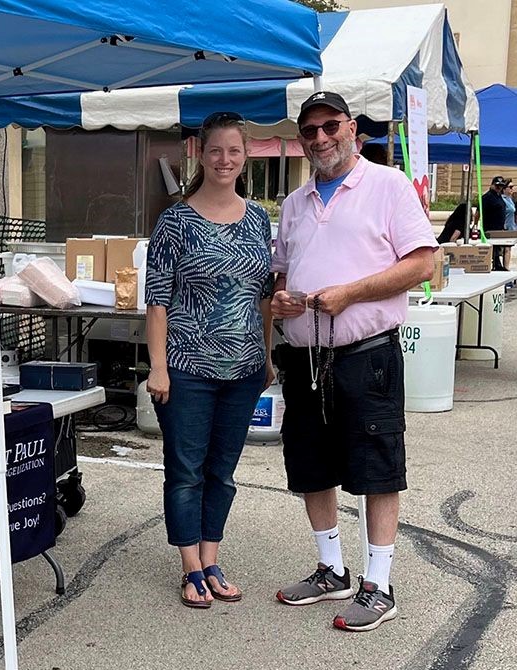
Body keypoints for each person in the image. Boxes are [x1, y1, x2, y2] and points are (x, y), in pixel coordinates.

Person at [270, 91, 436, 632]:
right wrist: (280, 300)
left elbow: (423, 264)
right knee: (311, 464)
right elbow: (280, 275)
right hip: (304, 355)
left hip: (367, 356)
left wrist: (352, 293)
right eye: (310, 130)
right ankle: (331, 570)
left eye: (330, 126)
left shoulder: (387, 186)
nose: (320, 137)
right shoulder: (294, 204)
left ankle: (379, 584)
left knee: (376, 467)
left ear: (352, 131)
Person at [145, 111, 274, 608]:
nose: (225, 159)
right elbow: (157, 299)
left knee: (222, 470)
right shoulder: (176, 220)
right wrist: (158, 366)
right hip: (186, 368)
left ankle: (212, 556)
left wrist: (265, 354)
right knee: (186, 470)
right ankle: (190, 567)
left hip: (243, 370)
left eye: (234, 151)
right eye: (216, 150)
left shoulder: (258, 218)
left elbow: (263, 294)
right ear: (201, 153)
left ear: (245, 157)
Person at [482, 176, 510, 270]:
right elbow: (478, 211)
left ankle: (498, 264)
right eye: (497, 186)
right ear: (492, 185)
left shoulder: (499, 196)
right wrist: (475, 224)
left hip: (499, 227)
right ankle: (495, 264)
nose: (499, 188)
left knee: (498, 248)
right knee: (493, 248)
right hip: (490, 227)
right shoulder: (487, 197)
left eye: (501, 186)